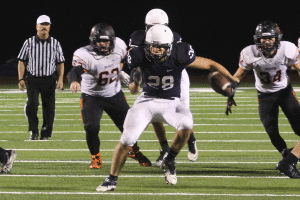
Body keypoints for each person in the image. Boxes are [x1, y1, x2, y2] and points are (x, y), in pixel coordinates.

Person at [96, 25, 238, 191]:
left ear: (169, 47)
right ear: (147, 44)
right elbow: (134, 90)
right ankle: (111, 179)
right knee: (127, 139)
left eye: (161, 47)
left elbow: (211, 65)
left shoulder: (181, 53)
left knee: (187, 124)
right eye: (153, 47)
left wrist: (233, 80)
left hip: (172, 102)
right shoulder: (137, 54)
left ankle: (169, 159)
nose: (156, 51)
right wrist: (135, 78)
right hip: (147, 101)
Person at [67, 23, 151, 169]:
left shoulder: (119, 45)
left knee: (129, 127)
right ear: (93, 41)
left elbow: (125, 59)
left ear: (112, 40)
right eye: (100, 41)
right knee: (91, 127)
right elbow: (75, 71)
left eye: (107, 41)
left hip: (114, 94)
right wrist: (74, 81)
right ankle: (96, 158)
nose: (104, 44)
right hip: (92, 97)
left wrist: (120, 71)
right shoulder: (84, 54)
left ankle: (134, 151)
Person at [129, 8, 198, 165]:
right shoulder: (138, 37)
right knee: (153, 111)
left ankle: (190, 139)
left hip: (174, 76)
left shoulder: (175, 38)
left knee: (182, 111)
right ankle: (164, 148)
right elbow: (134, 58)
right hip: (151, 74)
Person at [227, 21, 300, 160]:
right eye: (264, 38)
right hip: (265, 96)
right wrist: (231, 93)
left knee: (298, 126)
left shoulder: (287, 48)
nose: (267, 42)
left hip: (285, 93)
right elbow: (238, 76)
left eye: (270, 38)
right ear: (258, 39)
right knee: (271, 130)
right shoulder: (249, 53)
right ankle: (286, 155)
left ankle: (293, 155)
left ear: (277, 38)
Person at [17, 15, 65, 140]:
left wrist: (60, 79)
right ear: (37, 27)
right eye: (42, 24)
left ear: (49, 27)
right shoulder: (28, 42)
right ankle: (33, 131)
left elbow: (60, 63)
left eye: (47, 24)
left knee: (49, 108)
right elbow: (22, 61)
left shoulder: (55, 43)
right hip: (33, 79)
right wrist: (21, 79)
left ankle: (46, 133)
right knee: (32, 104)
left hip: (49, 79)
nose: (44, 27)